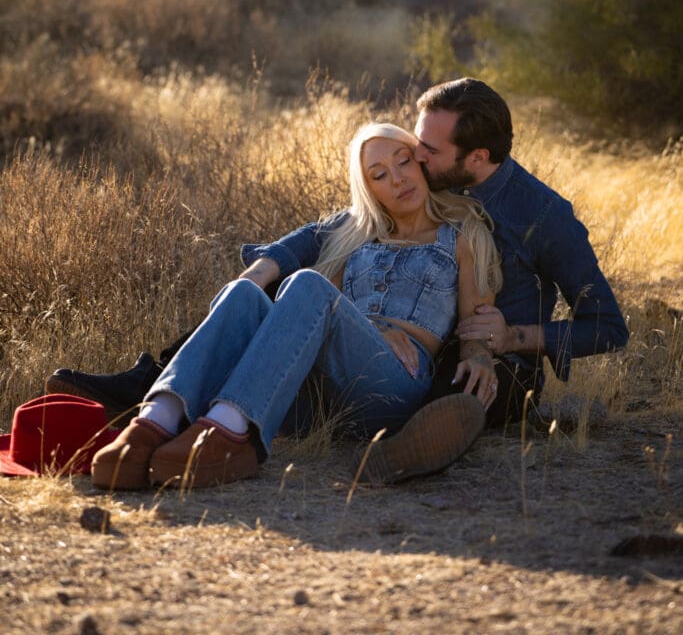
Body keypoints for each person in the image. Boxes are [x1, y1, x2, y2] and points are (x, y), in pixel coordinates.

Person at [51, 78, 629, 482]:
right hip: (354, 364)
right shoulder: (403, 202)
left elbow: (602, 326)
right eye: (394, 161)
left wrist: (505, 342)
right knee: (258, 293)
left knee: (447, 380)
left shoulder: (524, 219)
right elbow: (323, 231)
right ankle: (156, 411)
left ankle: (385, 450)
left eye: (421, 152)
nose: (412, 165)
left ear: (475, 157)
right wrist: (259, 270)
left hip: (490, 364)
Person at [90, 122, 502, 490]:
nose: (397, 179)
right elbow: (320, 316)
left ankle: (232, 434)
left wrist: (478, 355)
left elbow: (477, 318)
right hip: (318, 401)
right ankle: (155, 422)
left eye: (403, 162)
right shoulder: (354, 239)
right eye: (379, 175)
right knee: (243, 294)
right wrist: (372, 327)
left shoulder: (461, 235)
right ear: (369, 189)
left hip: (391, 390)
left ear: (421, 165)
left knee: (306, 284)